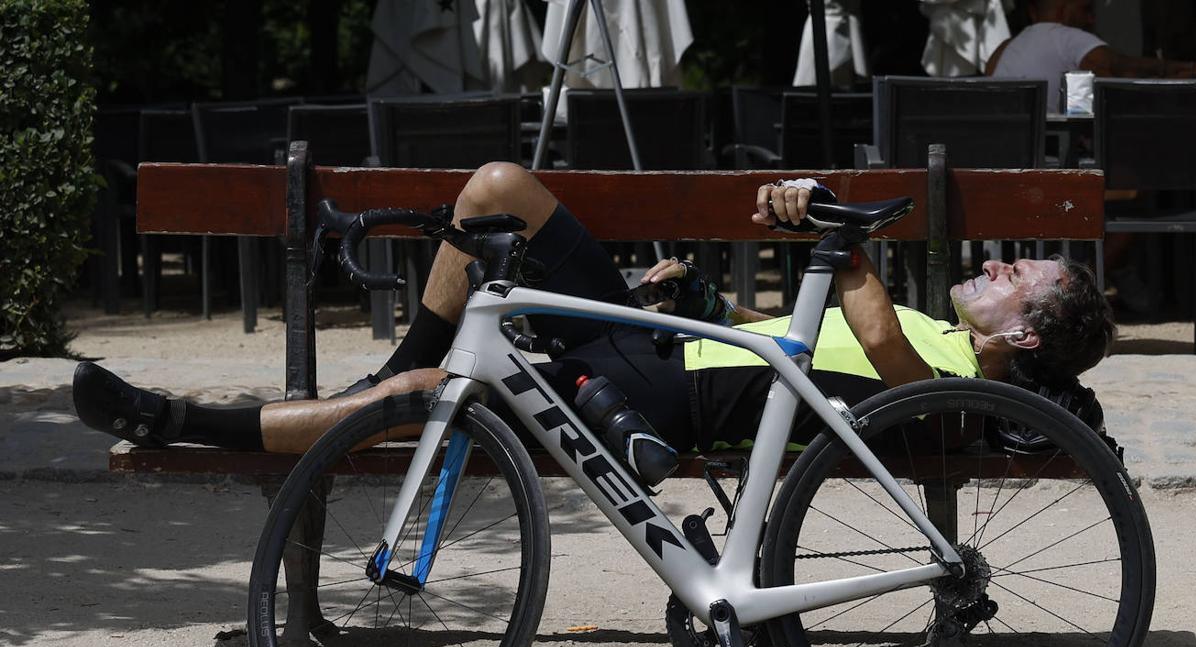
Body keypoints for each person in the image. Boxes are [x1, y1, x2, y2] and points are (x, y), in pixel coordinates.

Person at [72, 162, 1114, 456]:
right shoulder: (948, 331)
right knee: (494, 192)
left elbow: (878, 349)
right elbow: (835, 337)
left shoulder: (963, 385)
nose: (1008, 262)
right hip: (663, 343)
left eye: (1027, 274)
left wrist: (832, 235)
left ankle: (188, 424)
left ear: (1022, 335)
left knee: (433, 394)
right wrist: (698, 292)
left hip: (665, 391)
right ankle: (364, 394)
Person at [987, 0, 1196, 112]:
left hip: (1000, 152)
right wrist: (1188, 69)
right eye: (1085, 9)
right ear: (1063, 11)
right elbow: (1123, 69)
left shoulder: (1004, 47)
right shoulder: (1067, 37)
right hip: (1044, 159)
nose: (1091, 19)